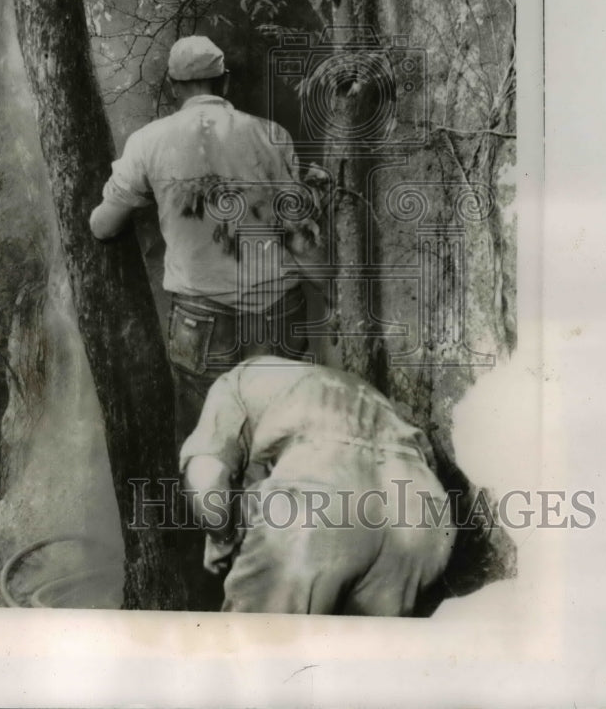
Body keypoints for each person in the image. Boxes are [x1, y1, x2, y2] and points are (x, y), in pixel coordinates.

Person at [90, 35, 313, 449]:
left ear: (174, 86)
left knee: (210, 448)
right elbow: (299, 230)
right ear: (224, 82)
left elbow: (103, 227)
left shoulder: (148, 142)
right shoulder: (272, 135)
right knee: (281, 443)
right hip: (280, 310)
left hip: (204, 319)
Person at [180, 357, 456, 615]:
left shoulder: (234, 382)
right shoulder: (350, 389)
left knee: (251, 654)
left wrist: (222, 540)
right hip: (423, 514)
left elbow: (205, 480)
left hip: (319, 508)